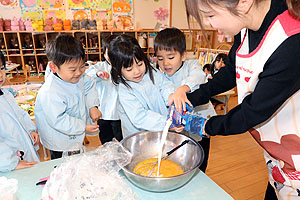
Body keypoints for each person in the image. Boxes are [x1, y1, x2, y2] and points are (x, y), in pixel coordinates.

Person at [183, 0, 300, 199]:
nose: (209, 23)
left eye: (210, 15)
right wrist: (191, 98)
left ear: (244, 2)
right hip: (278, 152)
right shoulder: (246, 24)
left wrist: (205, 126)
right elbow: (231, 71)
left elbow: (252, 111)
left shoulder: (291, 41)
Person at [154, 27, 216, 172]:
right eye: (160, 58)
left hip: (200, 123)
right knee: (181, 158)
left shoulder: (192, 65)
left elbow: (198, 76)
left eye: (170, 57)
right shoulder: (160, 75)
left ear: (183, 56)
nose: (165, 63)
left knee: (200, 159)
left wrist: (182, 89)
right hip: (178, 128)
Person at [34, 34, 101, 159]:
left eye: (82, 66)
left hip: (75, 132)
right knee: (63, 166)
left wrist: (92, 106)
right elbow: (58, 120)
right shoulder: (50, 92)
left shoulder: (78, 76)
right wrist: (82, 127)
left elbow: (90, 84)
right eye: (72, 69)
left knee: (75, 158)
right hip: (59, 140)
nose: (79, 72)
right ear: (54, 67)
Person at [108, 34, 186, 137]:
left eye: (140, 64)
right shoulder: (125, 90)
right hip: (139, 137)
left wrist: (170, 96)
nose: (137, 71)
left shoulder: (152, 73)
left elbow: (164, 85)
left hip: (162, 130)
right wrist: (167, 123)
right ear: (117, 69)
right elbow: (140, 117)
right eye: (129, 69)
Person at [0, 51, 40, 172]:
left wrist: (30, 129)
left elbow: (20, 114)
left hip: (22, 153)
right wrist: (11, 163)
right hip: (9, 163)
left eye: (2, 68)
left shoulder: (5, 94)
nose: (1, 74)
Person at [85, 34, 123, 144]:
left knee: (121, 138)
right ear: (104, 53)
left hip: (119, 113)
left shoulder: (124, 67)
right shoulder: (100, 66)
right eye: (108, 53)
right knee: (105, 139)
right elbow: (87, 74)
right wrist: (98, 74)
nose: (111, 56)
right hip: (103, 113)